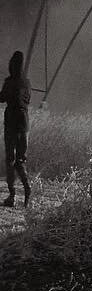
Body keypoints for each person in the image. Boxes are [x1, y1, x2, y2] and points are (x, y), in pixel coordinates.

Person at [2, 50, 31, 208]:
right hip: (25, 122)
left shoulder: (10, 81)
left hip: (12, 122)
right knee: (21, 160)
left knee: (10, 159)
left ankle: (12, 195)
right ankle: (27, 188)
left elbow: (2, 98)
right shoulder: (26, 82)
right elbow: (28, 100)